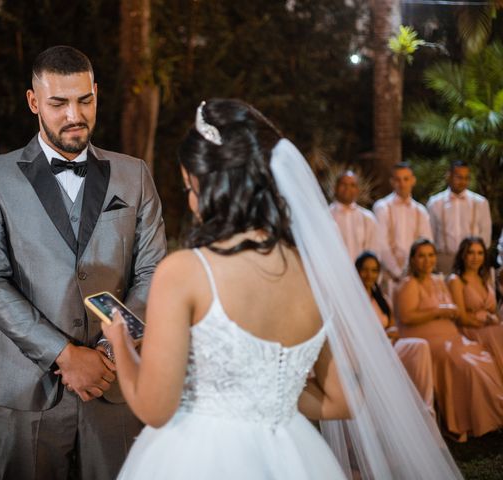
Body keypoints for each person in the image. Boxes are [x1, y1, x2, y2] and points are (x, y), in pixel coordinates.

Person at [101, 99, 461, 479]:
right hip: (293, 455)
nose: (191, 201)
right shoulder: (315, 275)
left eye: (189, 186)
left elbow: (155, 408)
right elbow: (342, 400)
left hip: (199, 456)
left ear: (212, 184)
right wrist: (268, 392)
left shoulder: (185, 271)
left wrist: (120, 342)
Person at [0, 46, 167, 480]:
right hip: (27, 390)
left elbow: (153, 272)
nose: (74, 114)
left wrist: (109, 352)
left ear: (96, 93)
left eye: (84, 100)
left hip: (115, 385)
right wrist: (63, 355)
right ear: (34, 102)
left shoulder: (134, 175)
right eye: (58, 103)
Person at [395, 238, 503, 442]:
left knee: (484, 359)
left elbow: (455, 311)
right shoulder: (408, 284)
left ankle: (488, 416)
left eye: (431, 255)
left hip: (452, 338)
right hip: (427, 341)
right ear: (413, 259)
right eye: (421, 256)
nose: (427, 261)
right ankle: (459, 423)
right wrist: (439, 311)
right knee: (466, 365)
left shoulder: (438, 280)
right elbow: (407, 317)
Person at [354, 251, 435, 416]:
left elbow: (392, 326)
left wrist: (391, 333)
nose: (369, 275)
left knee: (420, 346)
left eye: (374, 270)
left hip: (389, 345)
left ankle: (425, 408)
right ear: (356, 271)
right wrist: (382, 336)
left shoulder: (382, 299)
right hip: (366, 351)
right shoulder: (351, 300)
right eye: (364, 270)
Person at [447, 237, 503, 372]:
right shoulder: (456, 280)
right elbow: (462, 318)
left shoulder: (486, 278)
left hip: (490, 327)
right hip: (469, 330)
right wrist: (488, 324)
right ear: (462, 255)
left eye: (480, 253)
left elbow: (494, 312)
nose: (475, 257)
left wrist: (494, 320)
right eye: (470, 253)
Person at [427, 161, 492, 274]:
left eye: (466, 178)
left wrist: (477, 257)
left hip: (472, 261)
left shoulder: (480, 202)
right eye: (459, 177)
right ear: (449, 176)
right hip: (444, 260)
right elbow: (430, 234)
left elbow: (485, 234)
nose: (463, 181)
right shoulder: (435, 203)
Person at [373, 163, 432, 283]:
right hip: (389, 275)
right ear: (392, 182)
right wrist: (398, 273)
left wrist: (415, 271)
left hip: (416, 274)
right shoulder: (382, 207)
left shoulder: (420, 211)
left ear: (413, 180)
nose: (402, 184)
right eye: (398, 180)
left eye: (406, 179)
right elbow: (381, 244)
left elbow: (427, 242)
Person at [329, 171, 380, 262]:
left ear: (357, 189)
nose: (347, 188)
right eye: (343, 184)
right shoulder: (326, 216)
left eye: (352, 185)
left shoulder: (368, 218)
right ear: (335, 188)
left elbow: (374, 249)